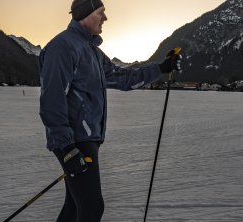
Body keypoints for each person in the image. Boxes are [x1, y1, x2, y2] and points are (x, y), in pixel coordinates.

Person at [38, 0, 181, 221]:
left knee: (75, 206)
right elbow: (52, 99)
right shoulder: (63, 47)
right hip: (75, 141)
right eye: (100, 12)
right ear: (85, 14)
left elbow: (122, 78)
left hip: (86, 139)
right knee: (92, 207)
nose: (105, 18)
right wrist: (67, 148)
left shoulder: (92, 51)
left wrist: (161, 68)